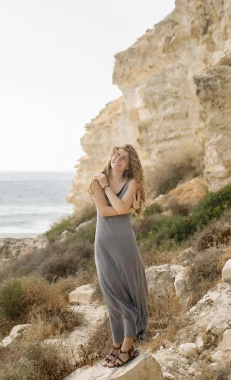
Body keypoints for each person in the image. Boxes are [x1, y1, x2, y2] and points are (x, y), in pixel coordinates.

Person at [88, 144, 149, 368]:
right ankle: (117, 345)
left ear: (130, 164)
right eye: (117, 154)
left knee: (128, 293)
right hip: (103, 244)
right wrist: (125, 207)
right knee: (111, 295)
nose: (118, 159)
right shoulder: (97, 181)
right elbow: (106, 211)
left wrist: (112, 193)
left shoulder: (133, 182)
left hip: (124, 243)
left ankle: (126, 348)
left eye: (124, 158)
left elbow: (120, 207)